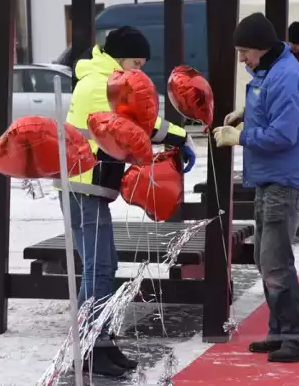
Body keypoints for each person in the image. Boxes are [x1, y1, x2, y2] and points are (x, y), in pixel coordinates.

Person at [56, 26, 196, 377]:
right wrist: (179, 137)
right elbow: (136, 124)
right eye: (136, 61)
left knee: (103, 265)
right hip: (82, 188)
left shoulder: (110, 79)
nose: (139, 70)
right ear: (119, 56)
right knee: (98, 269)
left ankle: (99, 341)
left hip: (90, 187)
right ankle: (89, 347)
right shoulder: (98, 85)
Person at [213, 12, 299, 363]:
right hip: (270, 177)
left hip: (284, 180)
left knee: (275, 263)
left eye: (245, 51)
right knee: (265, 258)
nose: (242, 58)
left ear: (260, 48)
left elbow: (284, 134)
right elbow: (273, 111)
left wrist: (240, 136)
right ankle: (281, 332)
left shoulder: (285, 76)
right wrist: (246, 114)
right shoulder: (270, 71)